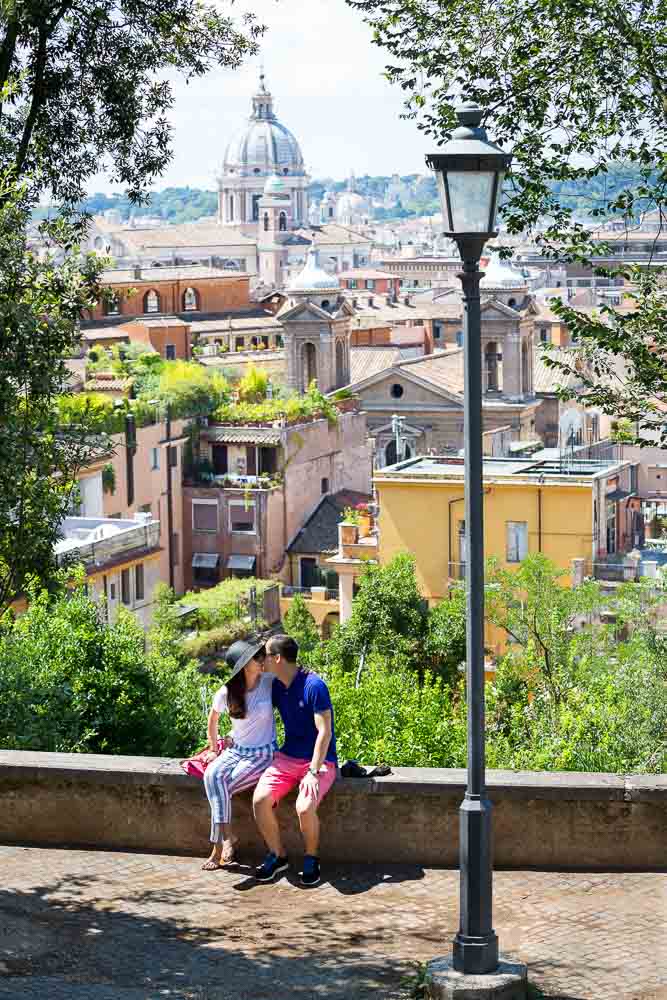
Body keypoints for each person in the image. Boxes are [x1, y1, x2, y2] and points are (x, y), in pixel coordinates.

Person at [252, 633, 337, 887]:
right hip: (287, 758)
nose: (262, 661)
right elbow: (247, 692)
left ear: (277, 658)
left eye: (265, 656)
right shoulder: (276, 685)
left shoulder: (314, 685)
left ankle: (312, 858)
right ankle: (278, 856)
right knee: (260, 800)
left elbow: (325, 731)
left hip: (319, 762)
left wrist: (312, 771)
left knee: (303, 807)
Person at [201, 639, 276, 872]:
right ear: (244, 665)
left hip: (263, 753)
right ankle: (227, 837)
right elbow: (212, 720)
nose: (261, 660)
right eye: (256, 658)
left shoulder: (269, 682)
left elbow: (292, 678)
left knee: (223, 786)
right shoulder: (227, 691)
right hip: (236, 750)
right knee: (211, 775)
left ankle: (217, 847)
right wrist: (214, 749)